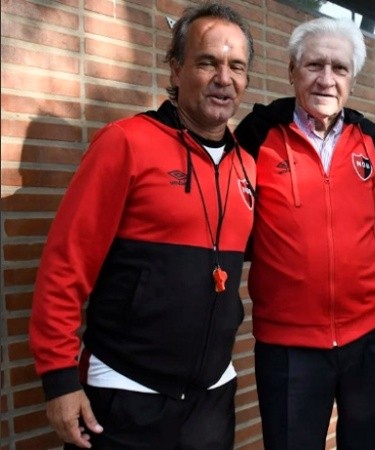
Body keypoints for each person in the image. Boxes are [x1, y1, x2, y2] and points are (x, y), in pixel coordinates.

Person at [28, 3, 255, 449]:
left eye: (236, 66)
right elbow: (64, 264)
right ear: (175, 68)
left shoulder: (247, 167)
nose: (223, 78)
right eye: (207, 62)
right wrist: (58, 379)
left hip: (211, 398)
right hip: (125, 393)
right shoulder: (125, 142)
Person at [234, 17, 375, 450]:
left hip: (370, 334)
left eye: (340, 68)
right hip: (288, 343)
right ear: (293, 71)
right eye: (315, 65)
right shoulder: (257, 136)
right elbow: (230, 218)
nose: (327, 79)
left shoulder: (369, 137)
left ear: (352, 78)